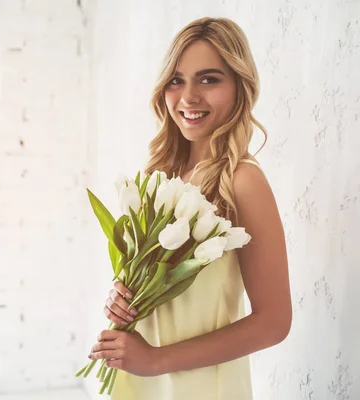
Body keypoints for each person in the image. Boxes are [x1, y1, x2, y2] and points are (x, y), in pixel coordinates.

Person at [88, 17, 292, 399]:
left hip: (199, 387)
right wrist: (126, 296)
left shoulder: (242, 181)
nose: (188, 97)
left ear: (239, 87)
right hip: (142, 382)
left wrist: (156, 360)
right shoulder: (159, 177)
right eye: (177, 80)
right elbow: (166, 289)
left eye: (209, 79)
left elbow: (274, 323)